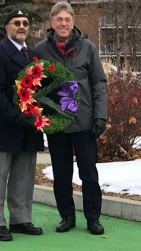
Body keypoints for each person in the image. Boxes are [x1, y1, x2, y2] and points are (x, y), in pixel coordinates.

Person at [35, 2, 107, 235]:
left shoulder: (87, 48)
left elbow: (98, 83)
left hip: (84, 122)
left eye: (67, 19)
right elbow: (34, 87)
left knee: (89, 173)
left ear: (73, 22)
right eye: (59, 19)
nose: (63, 23)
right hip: (56, 124)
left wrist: (101, 116)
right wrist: (39, 117)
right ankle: (66, 216)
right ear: (52, 22)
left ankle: (93, 218)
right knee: (61, 173)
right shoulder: (40, 51)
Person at [0, 10, 44, 241]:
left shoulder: (34, 55)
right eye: (16, 23)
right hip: (4, 126)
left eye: (25, 23)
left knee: (23, 177)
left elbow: (41, 90)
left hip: (28, 128)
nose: (22, 26)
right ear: (6, 27)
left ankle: (20, 219)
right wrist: (16, 116)